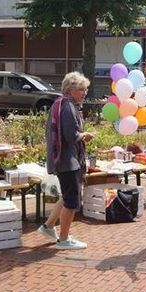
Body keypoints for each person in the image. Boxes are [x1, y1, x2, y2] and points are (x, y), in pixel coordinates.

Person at [38, 71, 94, 250]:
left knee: (67, 195)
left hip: (64, 160)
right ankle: (63, 239)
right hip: (68, 161)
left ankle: (48, 226)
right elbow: (71, 136)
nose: (85, 93)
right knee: (71, 201)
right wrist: (84, 135)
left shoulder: (59, 104)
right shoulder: (68, 106)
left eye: (85, 89)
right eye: (82, 89)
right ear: (70, 90)